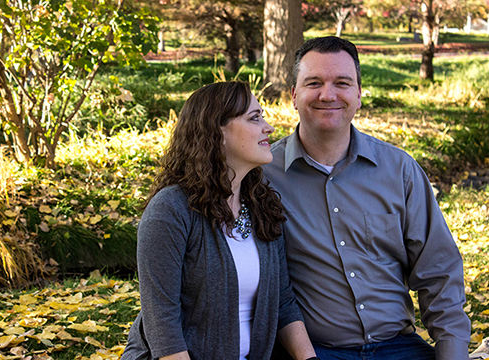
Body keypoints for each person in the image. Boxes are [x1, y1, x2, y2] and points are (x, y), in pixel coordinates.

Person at [264, 36, 471, 360]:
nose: (327, 94)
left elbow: (439, 271)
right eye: (313, 83)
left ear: (359, 95)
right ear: (293, 95)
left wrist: (452, 354)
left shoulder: (398, 170)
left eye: (342, 83)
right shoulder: (264, 176)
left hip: (398, 347)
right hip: (315, 350)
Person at [121, 81, 318, 360]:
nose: (268, 128)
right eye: (254, 118)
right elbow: (161, 320)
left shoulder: (262, 205)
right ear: (217, 131)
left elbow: (283, 301)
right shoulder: (171, 210)